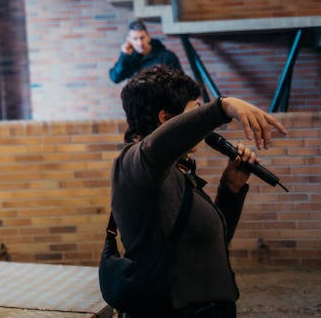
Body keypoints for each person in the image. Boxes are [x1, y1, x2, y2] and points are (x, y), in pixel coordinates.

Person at [112, 65, 286, 316]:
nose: (204, 128)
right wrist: (222, 107)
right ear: (165, 118)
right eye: (196, 111)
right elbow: (158, 144)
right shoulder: (134, 162)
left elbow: (207, 243)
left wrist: (231, 189)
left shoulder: (178, 171)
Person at [109, 18, 182, 82]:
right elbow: (115, 78)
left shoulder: (167, 56)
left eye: (142, 37)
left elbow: (179, 81)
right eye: (135, 39)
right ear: (129, 40)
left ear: (148, 37)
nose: (140, 43)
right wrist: (124, 56)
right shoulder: (128, 58)